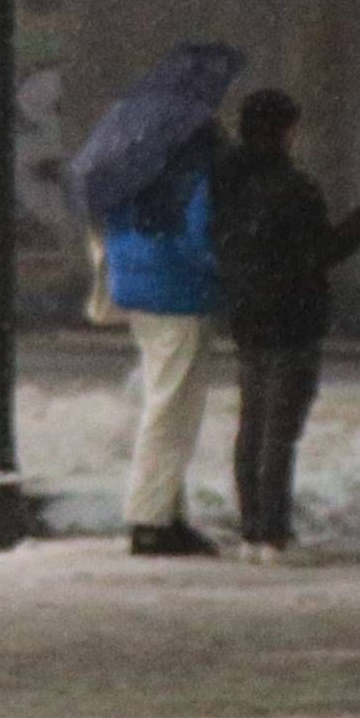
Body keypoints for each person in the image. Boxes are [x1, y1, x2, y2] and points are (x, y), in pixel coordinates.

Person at [202, 91, 360, 562]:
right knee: (281, 429)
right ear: (284, 130)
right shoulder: (294, 187)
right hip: (292, 314)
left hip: (248, 313)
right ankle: (274, 533)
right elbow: (320, 254)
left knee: (253, 424)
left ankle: (251, 530)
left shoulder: (224, 182)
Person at [70, 41, 243, 557]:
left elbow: (111, 222)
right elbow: (199, 233)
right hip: (179, 291)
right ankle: (150, 520)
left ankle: (166, 511)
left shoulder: (133, 147)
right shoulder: (192, 156)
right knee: (172, 409)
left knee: (165, 400)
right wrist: (223, 275)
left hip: (140, 287)